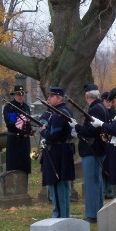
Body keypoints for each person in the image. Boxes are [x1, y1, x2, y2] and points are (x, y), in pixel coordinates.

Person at [69, 83, 109, 223]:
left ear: (87, 96)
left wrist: (77, 127)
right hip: (96, 149)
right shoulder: (100, 107)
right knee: (96, 182)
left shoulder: (95, 109)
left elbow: (91, 131)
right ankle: (98, 211)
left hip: (92, 149)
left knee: (92, 183)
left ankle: (92, 214)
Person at [40, 86, 75, 218]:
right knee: (58, 184)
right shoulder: (58, 111)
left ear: (58, 98)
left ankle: (60, 215)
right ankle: (61, 214)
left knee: (59, 184)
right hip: (60, 151)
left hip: (58, 152)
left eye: (51, 96)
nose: (48, 98)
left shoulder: (60, 113)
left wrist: (43, 131)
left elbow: (53, 135)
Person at [3, 85, 33, 174]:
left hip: (25, 141)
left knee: (25, 167)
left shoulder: (26, 107)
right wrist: (21, 120)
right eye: (18, 94)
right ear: (14, 95)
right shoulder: (9, 107)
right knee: (13, 168)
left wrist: (29, 130)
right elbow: (11, 124)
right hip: (14, 141)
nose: (20, 96)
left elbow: (28, 123)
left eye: (22, 94)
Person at [100, 91, 116, 198]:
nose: (109, 104)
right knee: (102, 168)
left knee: (110, 168)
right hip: (103, 143)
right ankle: (103, 190)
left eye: (110, 102)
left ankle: (110, 190)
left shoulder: (113, 113)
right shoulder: (101, 112)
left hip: (111, 143)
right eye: (107, 101)